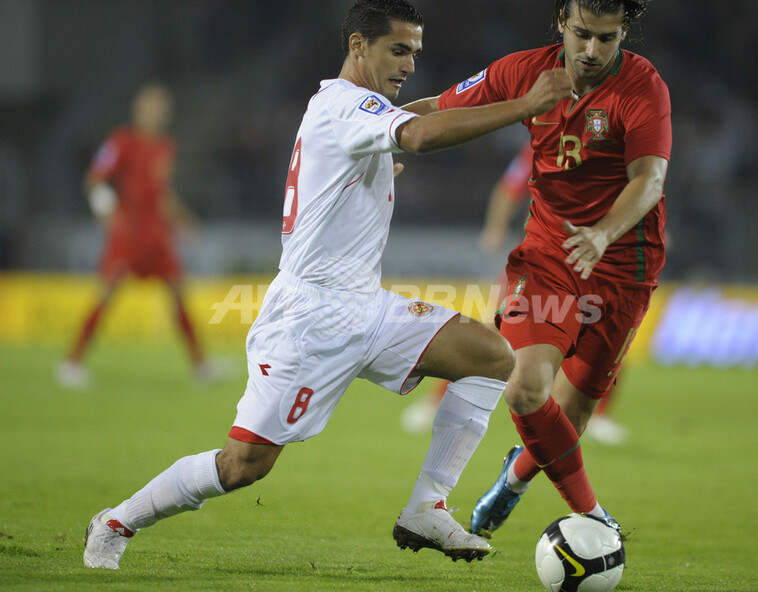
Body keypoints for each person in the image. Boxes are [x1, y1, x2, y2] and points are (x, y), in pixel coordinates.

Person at [83, 0, 583, 569]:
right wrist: (525, 104)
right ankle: (117, 521)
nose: (410, 64)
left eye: (415, 52)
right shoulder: (345, 106)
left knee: (492, 355)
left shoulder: (353, 108)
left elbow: (408, 122)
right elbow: (418, 136)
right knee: (243, 465)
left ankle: (426, 507)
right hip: (308, 318)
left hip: (365, 306)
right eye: (398, 50)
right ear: (357, 46)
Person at [404, 0, 670, 535]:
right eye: (581, 35)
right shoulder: (524, 72)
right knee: (525, 389)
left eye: (607, 38)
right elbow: (441, 106)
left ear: (623, 34)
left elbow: (649, 180)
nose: (592, 50)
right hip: (548, 256)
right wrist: (374, 137)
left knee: (568, 419)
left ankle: (515, 479)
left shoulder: (644, 87)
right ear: (560, 25)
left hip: (623, 265)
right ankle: (595, 518)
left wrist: (601, 233)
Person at [402, 139, 630, 446]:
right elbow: (509, 187)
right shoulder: (544, 145)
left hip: (594, 264)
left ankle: (599, 416)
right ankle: (436, 400)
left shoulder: (616, 148)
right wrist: (494, 229)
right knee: (497, 336)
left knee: (607, 338)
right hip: (540, 264)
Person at [56, 84, 212, 389]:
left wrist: (186, 223)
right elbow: (94, 179)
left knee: (179, 294)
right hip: (128, 235)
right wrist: (106, 211)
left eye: (161, 108)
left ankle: (200, 365)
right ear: (138, 110)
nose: (156, 113)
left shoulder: (165, 146)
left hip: (157, 236)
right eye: (151, 107)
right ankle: (71, 363)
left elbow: (163, 195)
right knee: (105, 295)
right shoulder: (122, 141)